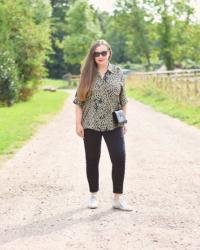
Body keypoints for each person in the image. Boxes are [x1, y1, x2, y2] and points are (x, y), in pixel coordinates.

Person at [73, 39, 132, 211]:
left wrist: (124, 121)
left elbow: (124, 100)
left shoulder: (118, 73)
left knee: (119, 158)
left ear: (109, 53)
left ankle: (118, 198)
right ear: (93, 55)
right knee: (92, 160)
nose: (100, 56)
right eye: (96, 53)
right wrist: (78, 124)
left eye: (103, 53)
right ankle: (93, 195)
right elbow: (78, 102)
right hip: (91, 123)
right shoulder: (86, 74)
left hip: (113, 124)